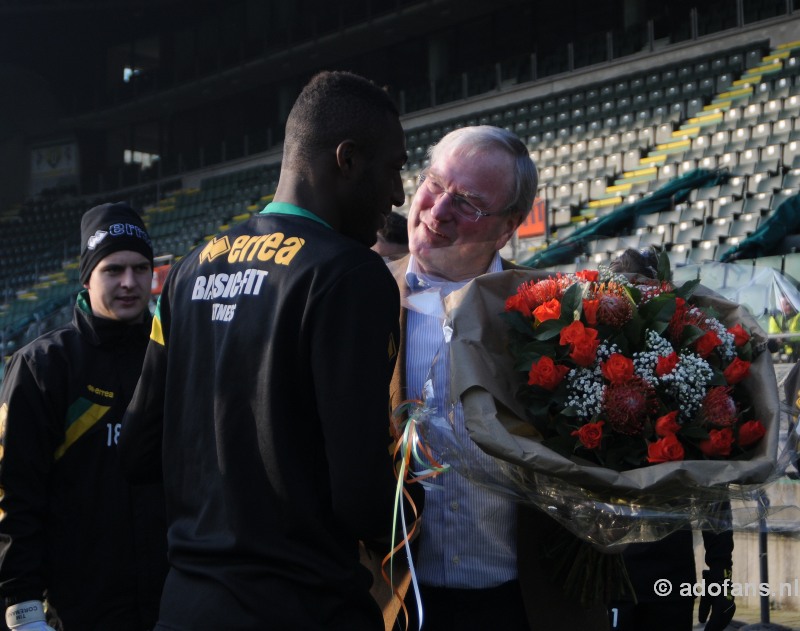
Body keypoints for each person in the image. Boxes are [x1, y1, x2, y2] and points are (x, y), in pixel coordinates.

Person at [118, 70, 423, 631]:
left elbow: (137, 447)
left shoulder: (189, 270)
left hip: (186, 604)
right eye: (396, 167)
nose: (400, 193)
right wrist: (420, 499)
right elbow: (360, 499)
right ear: (348, 159)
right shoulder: (350, 275)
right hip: (300, 605)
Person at [385, 125, 608, 631]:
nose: (437, 210)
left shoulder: (556, 316)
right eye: (435, 184)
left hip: (529, 604)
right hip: (398, 599)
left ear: (508, 226)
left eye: (467, 203)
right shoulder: (361, 293)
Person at [0, 202, 168, 631]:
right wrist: (22, 607)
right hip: (75, 612)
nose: (129, 283)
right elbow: (14, 496)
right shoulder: (41, 368)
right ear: (87, 277)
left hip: (172, 605)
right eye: (113, 270)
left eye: (140, 268)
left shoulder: (175, 357)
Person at [607, 247, 736, 631]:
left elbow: (713, 478)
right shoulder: (591, 366)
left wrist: (720, 573)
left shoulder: (687, 370)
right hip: (609, 567)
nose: (638, 302)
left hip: (669, 564)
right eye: (626, 292)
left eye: (646, 292)